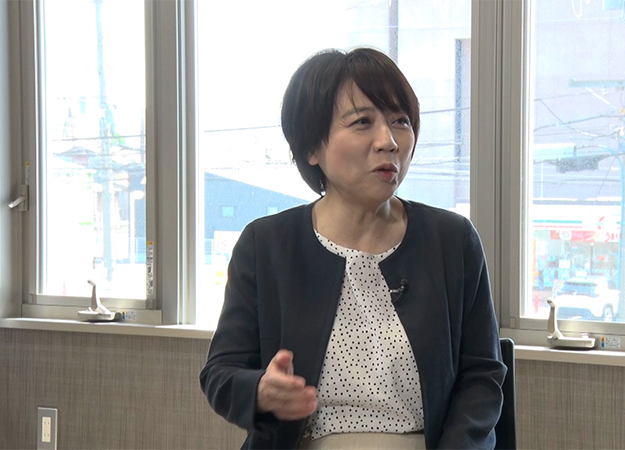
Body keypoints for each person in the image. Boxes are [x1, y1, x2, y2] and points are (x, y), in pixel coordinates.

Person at [199, 47, 506, 449]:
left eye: (400, 121)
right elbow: (221, 373)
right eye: (362, 122)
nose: (388, 141)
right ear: (311, 147)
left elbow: (482, 376)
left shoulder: (452, 240)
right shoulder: (266, 245)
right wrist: (260, 390)